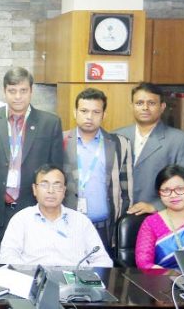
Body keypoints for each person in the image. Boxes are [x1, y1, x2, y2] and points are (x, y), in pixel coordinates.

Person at [0, 67, 64, 262]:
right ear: (4, 91)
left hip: (33, 210)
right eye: (12, 91)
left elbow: (56, 171)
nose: (18, 97)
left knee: (30, 266)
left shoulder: (50, 123)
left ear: (31, 91)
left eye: (23, 91)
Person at [0, 164, 113, 267]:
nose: (50, 191)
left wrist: (85, 279)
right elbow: (6, 256)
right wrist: (28, 275)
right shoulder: (21, 219)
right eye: (44, 185)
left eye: (57, 186)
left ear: (64, 191)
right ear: (34, 189)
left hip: (73, 284)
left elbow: (102, 260)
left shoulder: (81, 221)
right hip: (33, 282)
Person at [61, 88, 132, 252]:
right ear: (75, 112)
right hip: (66, 225)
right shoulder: (60, 140)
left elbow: (126, 190)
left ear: (103, 115)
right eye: (84, 111)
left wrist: (121, 225)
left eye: (96, 112)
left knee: (102, 275)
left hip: (104, 227)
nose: (89, 117)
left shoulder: (120, 144)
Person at [115, 83, 184, 215]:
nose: (145, 108)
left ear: (162, 107)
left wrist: (155, 206)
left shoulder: (180, 140)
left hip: (159, 216)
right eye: (139, 103)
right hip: (119, 215)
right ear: (132, 106)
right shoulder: (117, 136)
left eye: (151, 103)